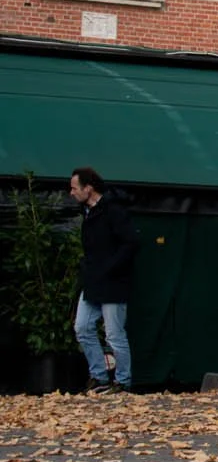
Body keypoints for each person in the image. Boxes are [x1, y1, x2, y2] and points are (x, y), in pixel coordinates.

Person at [68, 167, 137, 395]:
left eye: (75, 188)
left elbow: (130, 243)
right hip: (94, 281)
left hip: (112, 282)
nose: (72, 193)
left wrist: (110, 268)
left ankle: (122, 380)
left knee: (114, 334)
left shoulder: (113, 211)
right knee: (82, 327)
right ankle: (99, 376)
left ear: (88, 188)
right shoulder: (89, 213)